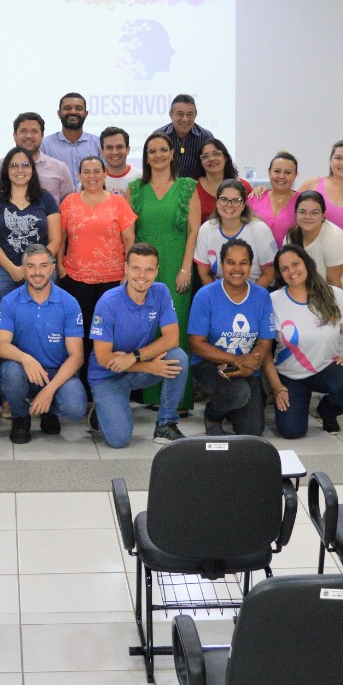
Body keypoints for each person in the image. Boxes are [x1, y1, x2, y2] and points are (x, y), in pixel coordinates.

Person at [88, 242, 190, 448]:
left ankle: (166, 424)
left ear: (156, 271)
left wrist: (133, 357)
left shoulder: (161, 292)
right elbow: (104, 357)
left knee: (178, 358)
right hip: (107, 376)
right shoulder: (108, 302)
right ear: (125, 268)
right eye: (135, 268)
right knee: (119, 440)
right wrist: (147, 366)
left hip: (134, 366)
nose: (142, 275)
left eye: (149, 269)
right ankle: (104, 407)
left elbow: (171, 339)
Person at [128, 132, 200, 410]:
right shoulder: (134, 189)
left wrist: (185, 268)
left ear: (172, 154)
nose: (157, 155)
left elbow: (194, 230)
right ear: (146, 157)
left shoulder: (186, 187)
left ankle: (177, 400)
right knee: (149, 328)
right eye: (151, 151)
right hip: (144, 270)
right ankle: (151, 397)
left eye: (162, 150)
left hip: (175, 266)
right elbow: (129, 235)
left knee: (176, 330)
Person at [263, 244, 343, 438]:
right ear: (280, 274)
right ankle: (298, 403)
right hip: (290, 375)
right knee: (292, 431)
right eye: (285, 269)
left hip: (326, 368)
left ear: (307, 264)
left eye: (295, 264)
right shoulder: (273, 301)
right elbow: (265, 351)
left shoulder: (334, 294)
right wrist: (277, 388)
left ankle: (328, 412)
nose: (292, 271)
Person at [0, 245, 88, 443]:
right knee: (9, 370)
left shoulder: (69, 302)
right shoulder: (10, 301)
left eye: (43, 265)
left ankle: (48, 410)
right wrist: (25, 359)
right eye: (31, 266)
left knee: (76, 409)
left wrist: (49, 389)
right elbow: (0, 345)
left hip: (56, 373)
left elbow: (77, 356)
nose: (37, 272)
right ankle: (21, 416)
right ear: (23, 268)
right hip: (24, 372)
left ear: (52, 268)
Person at [188, 240, 274, 437]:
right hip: (210, 364)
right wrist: (236, 360)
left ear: (250, 266)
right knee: (238, 392)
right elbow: (196, 344)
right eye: (230, 262)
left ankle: (231, 406)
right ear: (221, 264)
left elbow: (264, 341)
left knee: (252, 431)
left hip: (248, 366)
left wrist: (251, 363)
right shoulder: (206, 295)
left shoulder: (261, 296)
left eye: (243, 263)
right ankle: (212, 416)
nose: (237, 268)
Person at [57, 155, 138, 333]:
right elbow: (61, 237)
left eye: (96, 171)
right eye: (86, 172)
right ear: (79, 176)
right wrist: (60, 268)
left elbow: (129, 239)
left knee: (109, 329)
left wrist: (128, 271)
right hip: (75, 277)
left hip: (113, 278)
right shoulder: (69, 202)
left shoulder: (118, 202)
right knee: (81, 329)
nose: (91, 176)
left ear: (104, 175)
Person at [0, 146, 61, 318]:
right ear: (6, 170)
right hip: (1, 272)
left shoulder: (46, 198)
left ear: (32, 169)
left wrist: (36, 267)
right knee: (1, 321)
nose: (20, 170)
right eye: (13, 165)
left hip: (41, 271)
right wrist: (12, 269)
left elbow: (55, 240)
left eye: (25, 164)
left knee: (43, 318)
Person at [289, 190, 343, 323]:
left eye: (315, 212)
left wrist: (335, 317)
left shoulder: (334, 239)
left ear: (323, 215)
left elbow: (334, 284)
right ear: (295, 214)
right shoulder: (292, 236)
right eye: (302, 212)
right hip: (322, 292)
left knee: (342, 332)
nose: (308, 216)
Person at [193, 179, 277, 287]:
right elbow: (204, 273)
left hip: (255, 292)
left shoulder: (260, 230)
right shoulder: (206, 229)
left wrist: (248, 299)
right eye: (224, 199)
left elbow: (269, 274)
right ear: (217, 202)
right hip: (220, 294)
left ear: (243, 205)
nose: (229, 205)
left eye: (236, 200)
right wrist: (218, 298)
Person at [299, 140, 343, 244]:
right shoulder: (312, 185)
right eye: (338, 158)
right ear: (331, 161)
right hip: (314, 253)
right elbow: (289, 208)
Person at [12, 112, 75, 205]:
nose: (29, 136)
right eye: (23, 131)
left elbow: (68, 206)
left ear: (42, 136)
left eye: (34, 131)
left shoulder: (60, 169)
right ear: (14, 135)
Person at [40, 92, 101, 186]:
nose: (73, 112)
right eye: (67, 108)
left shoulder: (98, 143)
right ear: (59, 113)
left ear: (86, 113)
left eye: (78, 108)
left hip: (93, 200)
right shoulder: (45, 144)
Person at [152, 94, 213, 179]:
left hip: (195, 188)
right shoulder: (159, 136)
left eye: (190, 114)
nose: (185, 119)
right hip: (166, 188)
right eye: (180, 114)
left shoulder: (205, 137)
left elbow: (212, 167)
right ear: (171, 114)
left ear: (196, 115)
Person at [194, 138, 252, 223]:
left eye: (216, 154)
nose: (211, 158)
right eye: (205, 156)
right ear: (201, 163)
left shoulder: (243, 186)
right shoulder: (193, 187)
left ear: (225, 157)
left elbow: (251, 217)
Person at [248, 151, 299, 247]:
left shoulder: (302, 202)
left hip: (289, 259)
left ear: (295, 175)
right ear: (269, 172)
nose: (281, 176)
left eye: (288, 172)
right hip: (256, 260)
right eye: (277, 171)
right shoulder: (255, 198)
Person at [99, 126, 135, 195]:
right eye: (109, 147)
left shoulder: (141, 177)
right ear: (102, 151)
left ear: (128, 149)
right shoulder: (92, 180)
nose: (114, 152)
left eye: (119, 147)